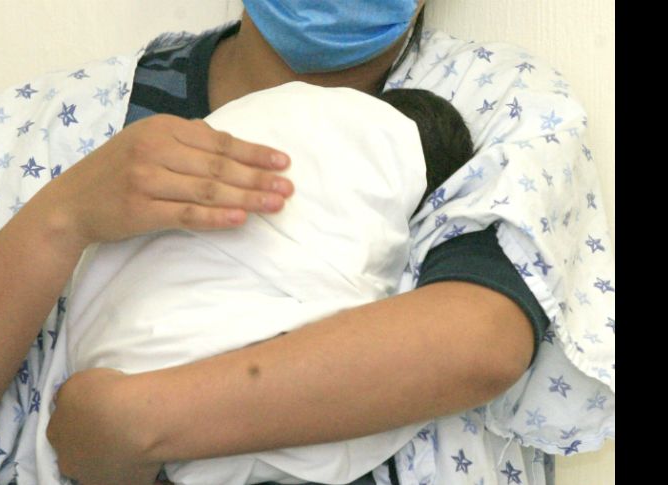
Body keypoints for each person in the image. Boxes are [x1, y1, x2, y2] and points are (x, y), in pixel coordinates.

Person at [0, 2, 614, 485]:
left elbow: (478, 341)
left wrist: (136, 420)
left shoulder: (490, 104)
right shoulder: (35, 130)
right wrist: (61, 219)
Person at [62, 82, 475, 485]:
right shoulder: (368, 146)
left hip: (98, 347)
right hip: (141, 405)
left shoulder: (285, 103)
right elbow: (366, 306)